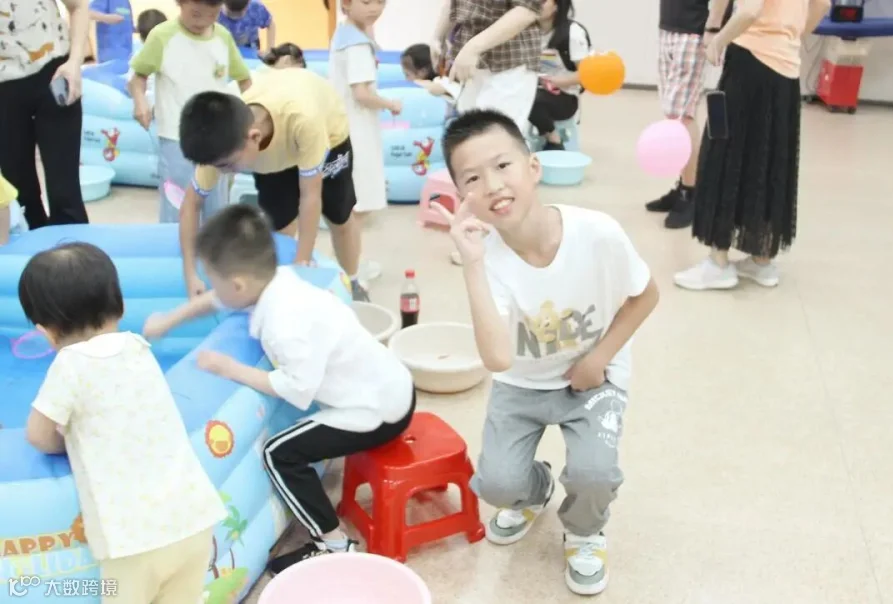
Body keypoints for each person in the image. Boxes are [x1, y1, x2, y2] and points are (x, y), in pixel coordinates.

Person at [434, 109, 659, 596]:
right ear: (462, 196)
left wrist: (599, 358)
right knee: (497, 484)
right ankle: (535, 490)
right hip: (522, 383)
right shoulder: (487, 260)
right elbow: (497, 360)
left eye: (502, 165)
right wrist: (472, 264)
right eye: (473, 178)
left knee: (595, 473)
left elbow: (646, 295)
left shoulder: (597, 232)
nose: (493, 185)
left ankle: (584, 531)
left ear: (533, 167)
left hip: (594, 378)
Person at [142, 204, 416, 574]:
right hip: (393, 385)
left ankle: (334, 543)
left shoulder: (284, 324)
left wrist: (229, 368)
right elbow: (219, 298)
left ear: (238, 284)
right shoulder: (278, 279)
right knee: (287, 445)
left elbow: (296, 390)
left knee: (278, 453)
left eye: (214, 280)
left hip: (378, 413)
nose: (213, 290)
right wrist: (169, 321)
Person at [20, 242, 226, 604]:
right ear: (121, 306)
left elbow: (37, 436)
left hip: (134, 542)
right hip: (194, 520)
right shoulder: (138, 348)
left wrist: (68, 440)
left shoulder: (69, 364)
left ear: (46, 331)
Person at [674, 0, 831, 290]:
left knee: (725, 152)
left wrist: (718, 40)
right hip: (786, 72)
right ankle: (762, 260)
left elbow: (749, 10)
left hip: (749, 63)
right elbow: (822, 5)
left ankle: (718, 262)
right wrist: (789, 37)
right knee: (770, 158)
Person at [176, 68, 372, 301]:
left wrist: (302, 262)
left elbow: (310, 196)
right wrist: (190, 274)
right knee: (281, 227)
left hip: (327, 134)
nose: (223, 173)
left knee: (339, 219)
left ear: (255, 138)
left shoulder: (304, 120)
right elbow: (190, 205)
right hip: (273, 153)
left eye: (228, 165)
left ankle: (353, 281)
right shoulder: (221, 142)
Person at [128, 0, 252, 225]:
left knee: (216, 207)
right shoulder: (162, 36)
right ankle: (174, 246)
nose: (203, 22)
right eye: (196, 14)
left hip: (217, 139)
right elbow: (138, 77)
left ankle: (214, 246)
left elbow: (245, 80)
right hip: (175, 137)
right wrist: (140, 101)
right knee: (177, 204)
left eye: (212, 15)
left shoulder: (223, 37)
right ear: (180, 3)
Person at [0, 0, 90, 230]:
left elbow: (78, 7)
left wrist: (75, 63)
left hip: (54, 75)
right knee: (19, 193)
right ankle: (31, 251)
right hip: (4, 89)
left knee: (65, 192)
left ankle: (73, 250)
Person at [330, 0, 400, 217]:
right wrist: (390, 104)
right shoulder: (357, 45)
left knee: (351, 196)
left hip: (342, 122)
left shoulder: (343, 32)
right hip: (358, 127)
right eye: (367, 1)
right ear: (346, 3)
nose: (375, 8)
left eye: (380, 2)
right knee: (361, 198)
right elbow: (361, 94)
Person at [644, 0, 711, 229]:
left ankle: (690, 193)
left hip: (692, 31)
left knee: (682, 116)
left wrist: (713, 29)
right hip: (668, 27)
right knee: (673, 114)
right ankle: (684, 185)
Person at [432, 0, 542, 133]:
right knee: (468, 132)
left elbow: (527, 11)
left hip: (510, 59)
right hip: (473, 60)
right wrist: (438, 36)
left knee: (495, 133)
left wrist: (472, 48)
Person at [529, 0, 592, 151]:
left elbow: (587, 74)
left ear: (557, 5)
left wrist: (556, 82)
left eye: (543, 1)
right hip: (535, 87)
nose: (535, 3)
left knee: (531, 100)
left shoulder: (573, 33)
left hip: (565, 96)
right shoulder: (528, 30)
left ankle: (554, 140)